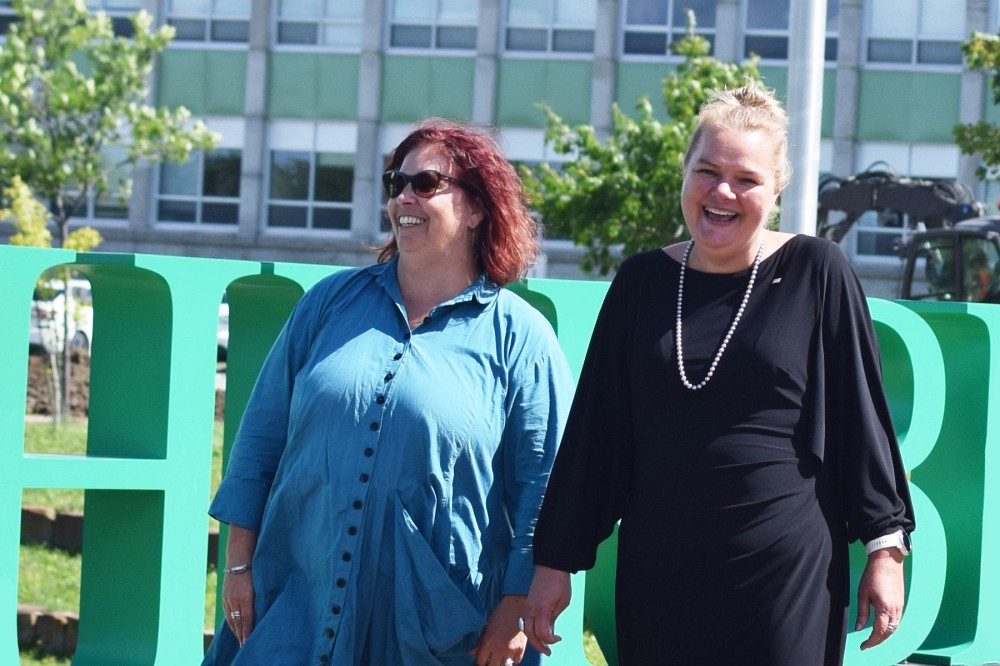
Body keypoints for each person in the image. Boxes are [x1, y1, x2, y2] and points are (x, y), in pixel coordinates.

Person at [522, 81, 915, 665]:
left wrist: (886, 552)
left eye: (747, 179)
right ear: (683, 173)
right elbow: (597, 435)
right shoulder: (641, 282)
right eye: (707, 171)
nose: (722, 191)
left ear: (776, 188)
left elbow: (864, 419)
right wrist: (554, 564)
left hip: (786, 573)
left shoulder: (817, 270)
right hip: (661, 571)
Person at [201, 118, 574, 666]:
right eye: (395, 183)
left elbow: (547, 483)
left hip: (441, 623)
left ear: (475, 209)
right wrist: (238, 566)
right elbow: (260, 438)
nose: (404, 197)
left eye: (426, 184)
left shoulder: (521, 338)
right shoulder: (327, 304)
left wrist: (515, 604)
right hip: (299, 603)